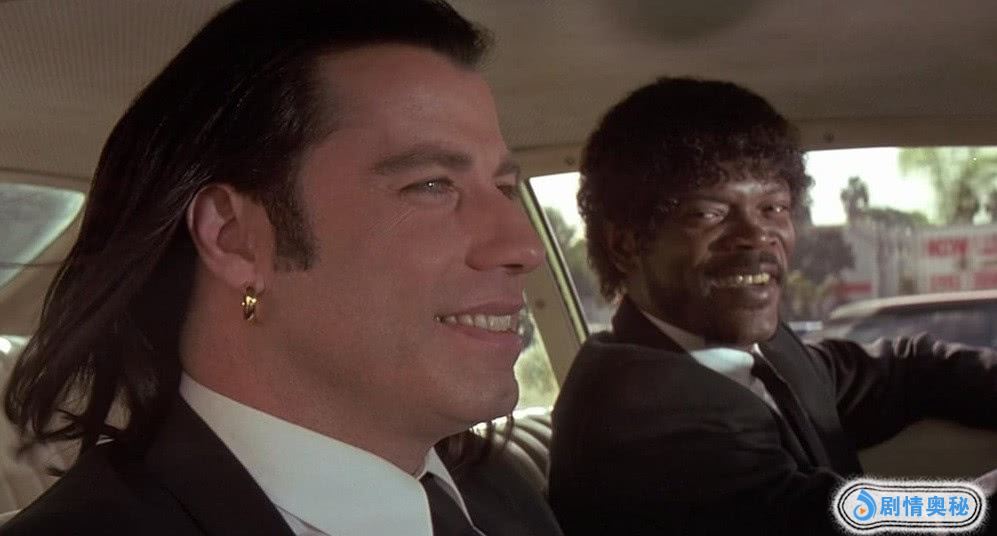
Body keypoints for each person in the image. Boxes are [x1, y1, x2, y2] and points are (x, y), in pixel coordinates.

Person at [1, 1, 563, 535]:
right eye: (432, 184)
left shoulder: (497, 490)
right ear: (235, 238)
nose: (525, 248)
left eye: (504, 189)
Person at [548, 77, 997, 535]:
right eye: (708, 213)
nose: (756, 235)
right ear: (625, 245)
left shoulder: (756, 353)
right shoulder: (637, 416)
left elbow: (903, 371)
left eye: (773, 208)